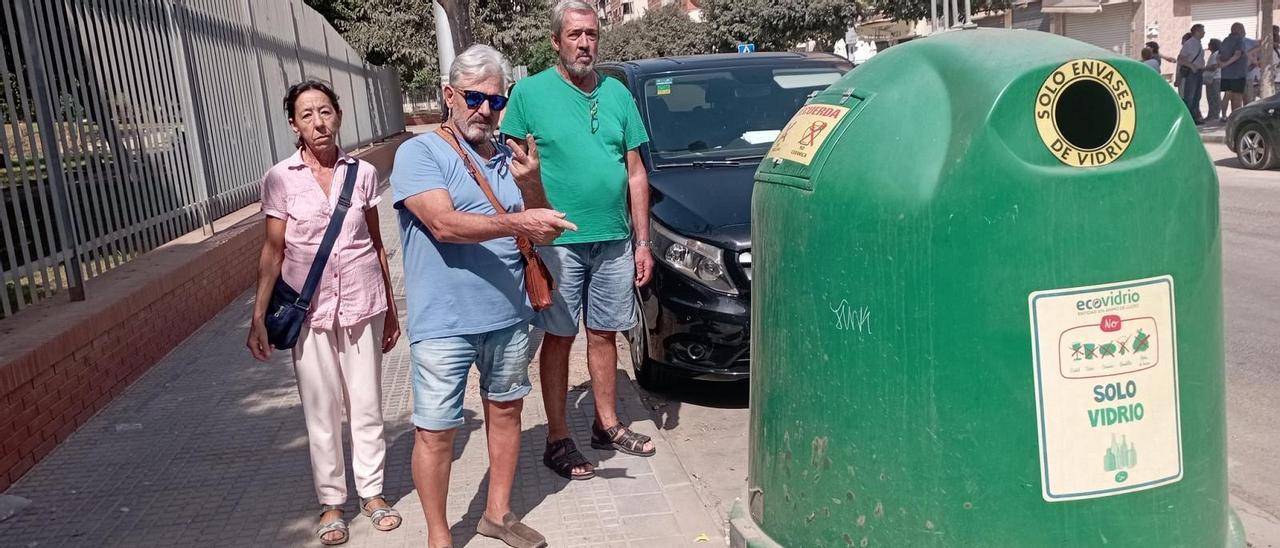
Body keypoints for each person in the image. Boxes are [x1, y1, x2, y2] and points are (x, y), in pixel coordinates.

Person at [391, 44, 574, 548]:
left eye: (497, 101)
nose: (486, 111)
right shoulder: (419, 153)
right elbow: (443, 224)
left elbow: (545, 232)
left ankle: (497, 515)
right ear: (449, 95)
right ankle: (438, 536)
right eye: (475, 98)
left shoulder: (507, 158)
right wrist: (517, 219)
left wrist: (533, 187)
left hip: (508, 315)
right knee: (436, 431)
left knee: (507, 411)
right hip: (444, 322)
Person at [500, 0, 657, 481]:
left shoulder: (617, 93)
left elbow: (635, 173)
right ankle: (557, 437)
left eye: (590, 34)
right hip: (556, 241)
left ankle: (606, 424)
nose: (584, 43)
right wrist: (527, 222)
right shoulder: (528, 94)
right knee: (560, 336)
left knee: (606, 332)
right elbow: (509, 165)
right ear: (556, 41)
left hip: (613, 238)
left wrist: (642, 241)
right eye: (574, 35)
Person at [247, 80, 403, 545]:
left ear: (338, 115)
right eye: (307, 114)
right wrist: (257, 315)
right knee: (322, 410)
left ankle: (372, 493)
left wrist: (391, 310)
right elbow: (273, 251)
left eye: (325, 111)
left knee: (367, 405)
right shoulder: (281, 178)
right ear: (293, 123)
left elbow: (376, 243)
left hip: (362, 303)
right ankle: (332, 502)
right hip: (307, 310)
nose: (319, 122)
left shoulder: (363, 174)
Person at [1219, 23, 1258, 118]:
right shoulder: (1239, 40)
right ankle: (1237, 117)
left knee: (1228, 96)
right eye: (1243, 29)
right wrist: (1225, 64)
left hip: (1226, 74)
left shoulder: (1225, 40)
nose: (1244, 32)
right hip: (1237, 74)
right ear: (1238, 30)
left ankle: (1227, 116)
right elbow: (1237, 54)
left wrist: (1222, 64)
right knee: (1237, 97)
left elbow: (1218, 55)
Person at [1178, 24, 1207, 123]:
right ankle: (1187, 119)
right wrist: (1191, 66)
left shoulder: (1198, 43)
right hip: (1192, 73)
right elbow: (1180, 59)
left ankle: (1194, 117)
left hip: (1199, 72)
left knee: (1197, 96)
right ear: (1197, 31)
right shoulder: (1189, 43)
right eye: (1202, 30)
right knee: (1190, 96)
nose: (1204, 32)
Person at [1206, 38, 1224, 122]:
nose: (1208, 45)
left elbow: (1215, 66)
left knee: (1214, 97)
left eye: (1209, 44)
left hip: (1215, 78)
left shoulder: (1216, 54)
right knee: (1210, 97)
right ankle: (1211, 114)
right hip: (1212, 78)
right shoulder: (1213, 54)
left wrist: (1204, 68)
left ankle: (1215, 114)